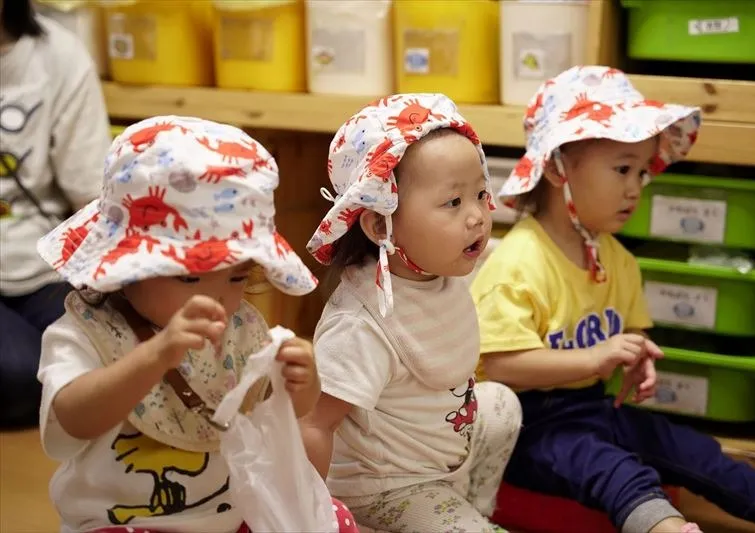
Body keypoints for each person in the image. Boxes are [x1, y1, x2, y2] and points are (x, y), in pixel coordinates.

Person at [471, 65, 755, 533]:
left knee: (686, 447)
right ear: (558, 167)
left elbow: (629, 328)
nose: (636, 187)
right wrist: (595, 357)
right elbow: (502, 364)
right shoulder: (518, 262)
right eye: (623, 168)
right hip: (526, 430)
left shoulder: (617, 259)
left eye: (643, 172)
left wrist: (636, 352)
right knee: (613, 469)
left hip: (592, 408)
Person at [35, 116, 358, 533]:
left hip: (231, 516)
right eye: (189, 277)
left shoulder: (240, 327)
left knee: (335, 519)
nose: (218, 297)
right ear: (125, 267)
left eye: (236, 277)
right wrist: (156, 355)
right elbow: (72, 422)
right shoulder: (85, 332)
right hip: (124, 522)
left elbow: (269, 417)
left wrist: (300, 385)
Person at [300, 93, 522, 532]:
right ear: (380, 224)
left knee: (502, 405)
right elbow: (316, 423)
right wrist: (311, 515)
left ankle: (470, 510)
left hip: (443, 456)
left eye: (480, 194)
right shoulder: (359, 326)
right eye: (453, 202)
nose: (478, 217)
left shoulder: (443, 268)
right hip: (386, 489)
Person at [0, 0, 110, 427]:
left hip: (41, 262)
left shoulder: (59, 54)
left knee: (105, 352)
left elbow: (92, 195)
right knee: (21, 373)